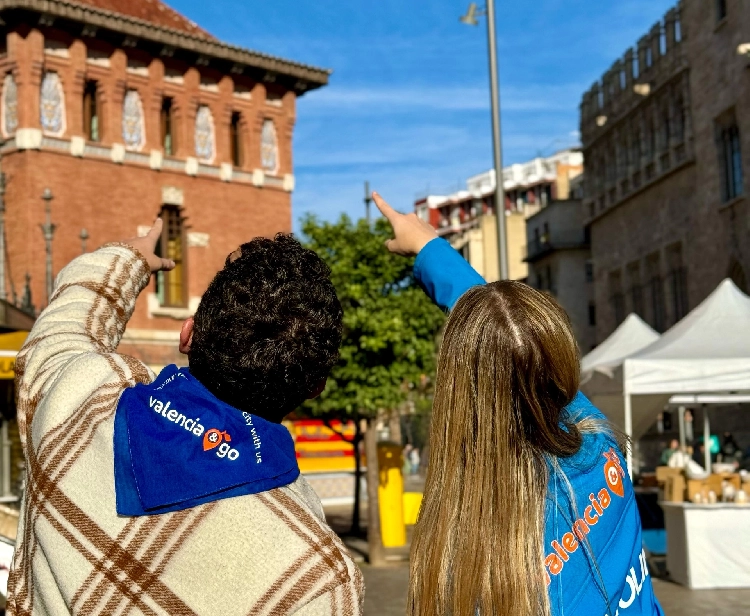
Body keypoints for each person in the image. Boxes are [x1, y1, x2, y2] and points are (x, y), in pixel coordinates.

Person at [7, 221, 363, 615]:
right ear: (315, 387)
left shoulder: (79, 395)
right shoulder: (317, 574)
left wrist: (128, 259)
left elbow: (61, 330)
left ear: (188, 334)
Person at [372, 193, 663, 616]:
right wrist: (429, 247)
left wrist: (428, 249)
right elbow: (517, 348)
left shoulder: (482, 558)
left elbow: (506, 350)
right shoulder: (597, 441)